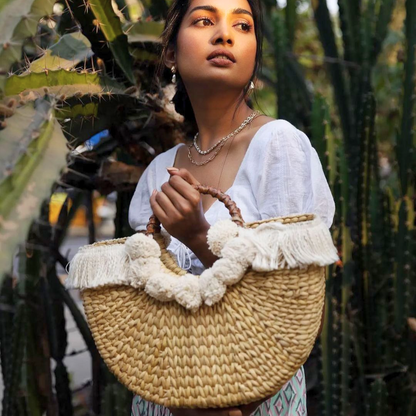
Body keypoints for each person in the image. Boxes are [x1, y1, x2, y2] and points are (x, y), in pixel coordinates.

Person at [128, 0, 335, 414]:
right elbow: (145, 307)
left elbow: (294, 306)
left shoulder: (279, 146)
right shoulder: (157, 173)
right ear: (170, 53)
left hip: (254, 397)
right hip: (166, 395)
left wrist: (198, 236)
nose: (225, 34)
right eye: (205, 20)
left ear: (254, 58)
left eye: (242, 26)